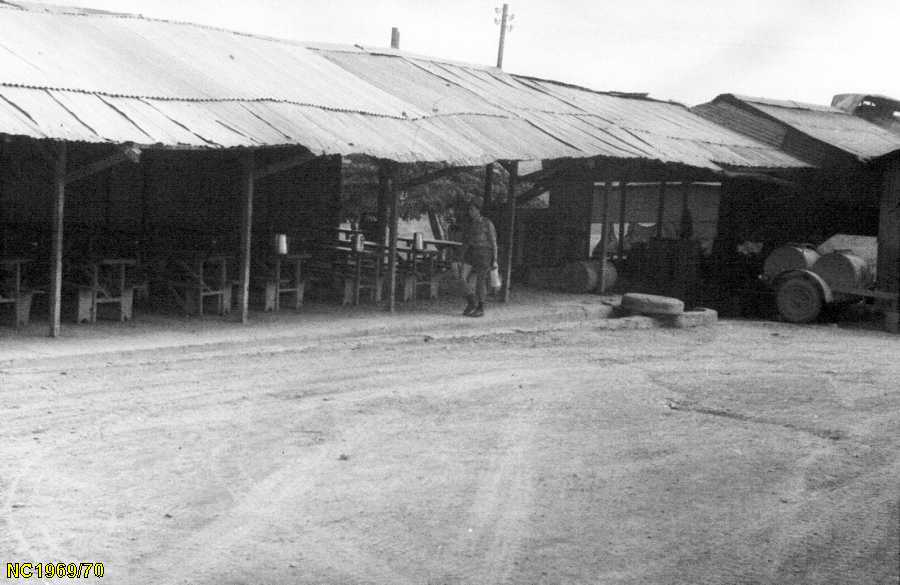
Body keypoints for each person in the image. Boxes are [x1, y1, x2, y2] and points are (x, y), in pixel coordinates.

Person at [458, 197, 497, 317]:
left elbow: (493, 241)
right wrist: (461, 256)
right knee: (461, 277)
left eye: (473, 209)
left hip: (484, 252)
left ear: (478, 210)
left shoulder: (487, 223)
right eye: (469, 210)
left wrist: (495, 259)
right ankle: (471, 302)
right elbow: (466, 241)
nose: (470, 212)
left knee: (481, 281)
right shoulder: (470, 224)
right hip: (471, 252)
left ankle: (481, 307)